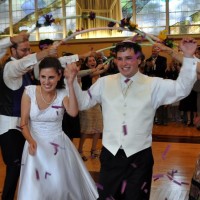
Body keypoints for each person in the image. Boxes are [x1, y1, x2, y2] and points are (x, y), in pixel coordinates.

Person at [66, 38, 198, 200]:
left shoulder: (153, 84)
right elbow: (83, 102)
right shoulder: (104, 82)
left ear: (140, 60)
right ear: (115, 61)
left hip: (139, 158)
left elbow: (181, 89)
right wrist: (71, 83)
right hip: (110, 155)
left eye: (129, 58)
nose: (124, 63)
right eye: (120, 59)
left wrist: (189, 57)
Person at [17, 57, 98, 200]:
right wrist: (30, 141)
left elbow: (73, 112)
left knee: (59, 186)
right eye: (43, 77)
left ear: (59, 76)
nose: (46, 82)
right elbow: (23, 123)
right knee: (35, 189)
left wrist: (71, 84)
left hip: (58, 147)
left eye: (51, 77)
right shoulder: (29, 91)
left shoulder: (62, 94)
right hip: (34, 145)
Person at [0, 37, 58, 200]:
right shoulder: (11, 67)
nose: (27, 53)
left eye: (29, 50)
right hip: (9, 126)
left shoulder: (27, 69)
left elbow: (45, 68)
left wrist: (79, 58)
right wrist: (43, 53)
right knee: (14, 167)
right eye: (23, 50)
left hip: (23, 126)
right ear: (13, 51)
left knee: (23, 166)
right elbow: (20, 65)